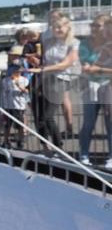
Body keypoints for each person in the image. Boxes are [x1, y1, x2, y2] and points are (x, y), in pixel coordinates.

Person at [29, 15, 80, 150]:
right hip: (43, 79)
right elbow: (43, 60)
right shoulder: (49, 42)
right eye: (54, 27)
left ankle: (58, 147)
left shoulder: (74, 43)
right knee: (38, 114)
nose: (56, 29)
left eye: (59, 27)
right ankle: (45, 146)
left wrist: (44, 69)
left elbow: (66, 64)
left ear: (67, 28)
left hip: (60, 79)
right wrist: (35, 61)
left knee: (47, 116)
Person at [78, 15, 112, 167]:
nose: (94, 28)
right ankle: (84, 154)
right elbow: (85, 64)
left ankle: (111, 156)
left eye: (98, 25)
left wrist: (99, 69)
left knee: (110, 123)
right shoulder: (85, 43)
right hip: (91, 85)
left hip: (109, 84)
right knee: (88, 122)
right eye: (93, 25)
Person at [0, 63, 30, 149]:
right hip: (8, 105)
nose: (17, 72)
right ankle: (6, 141)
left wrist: (19, 86)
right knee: (7, 125)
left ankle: (20, 141)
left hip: (19, 106)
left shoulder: (24, 80)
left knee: (20, 125)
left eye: (19, 70)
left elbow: (26, 90)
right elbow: (3, 90)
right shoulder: (6, 80)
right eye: (15, 70)